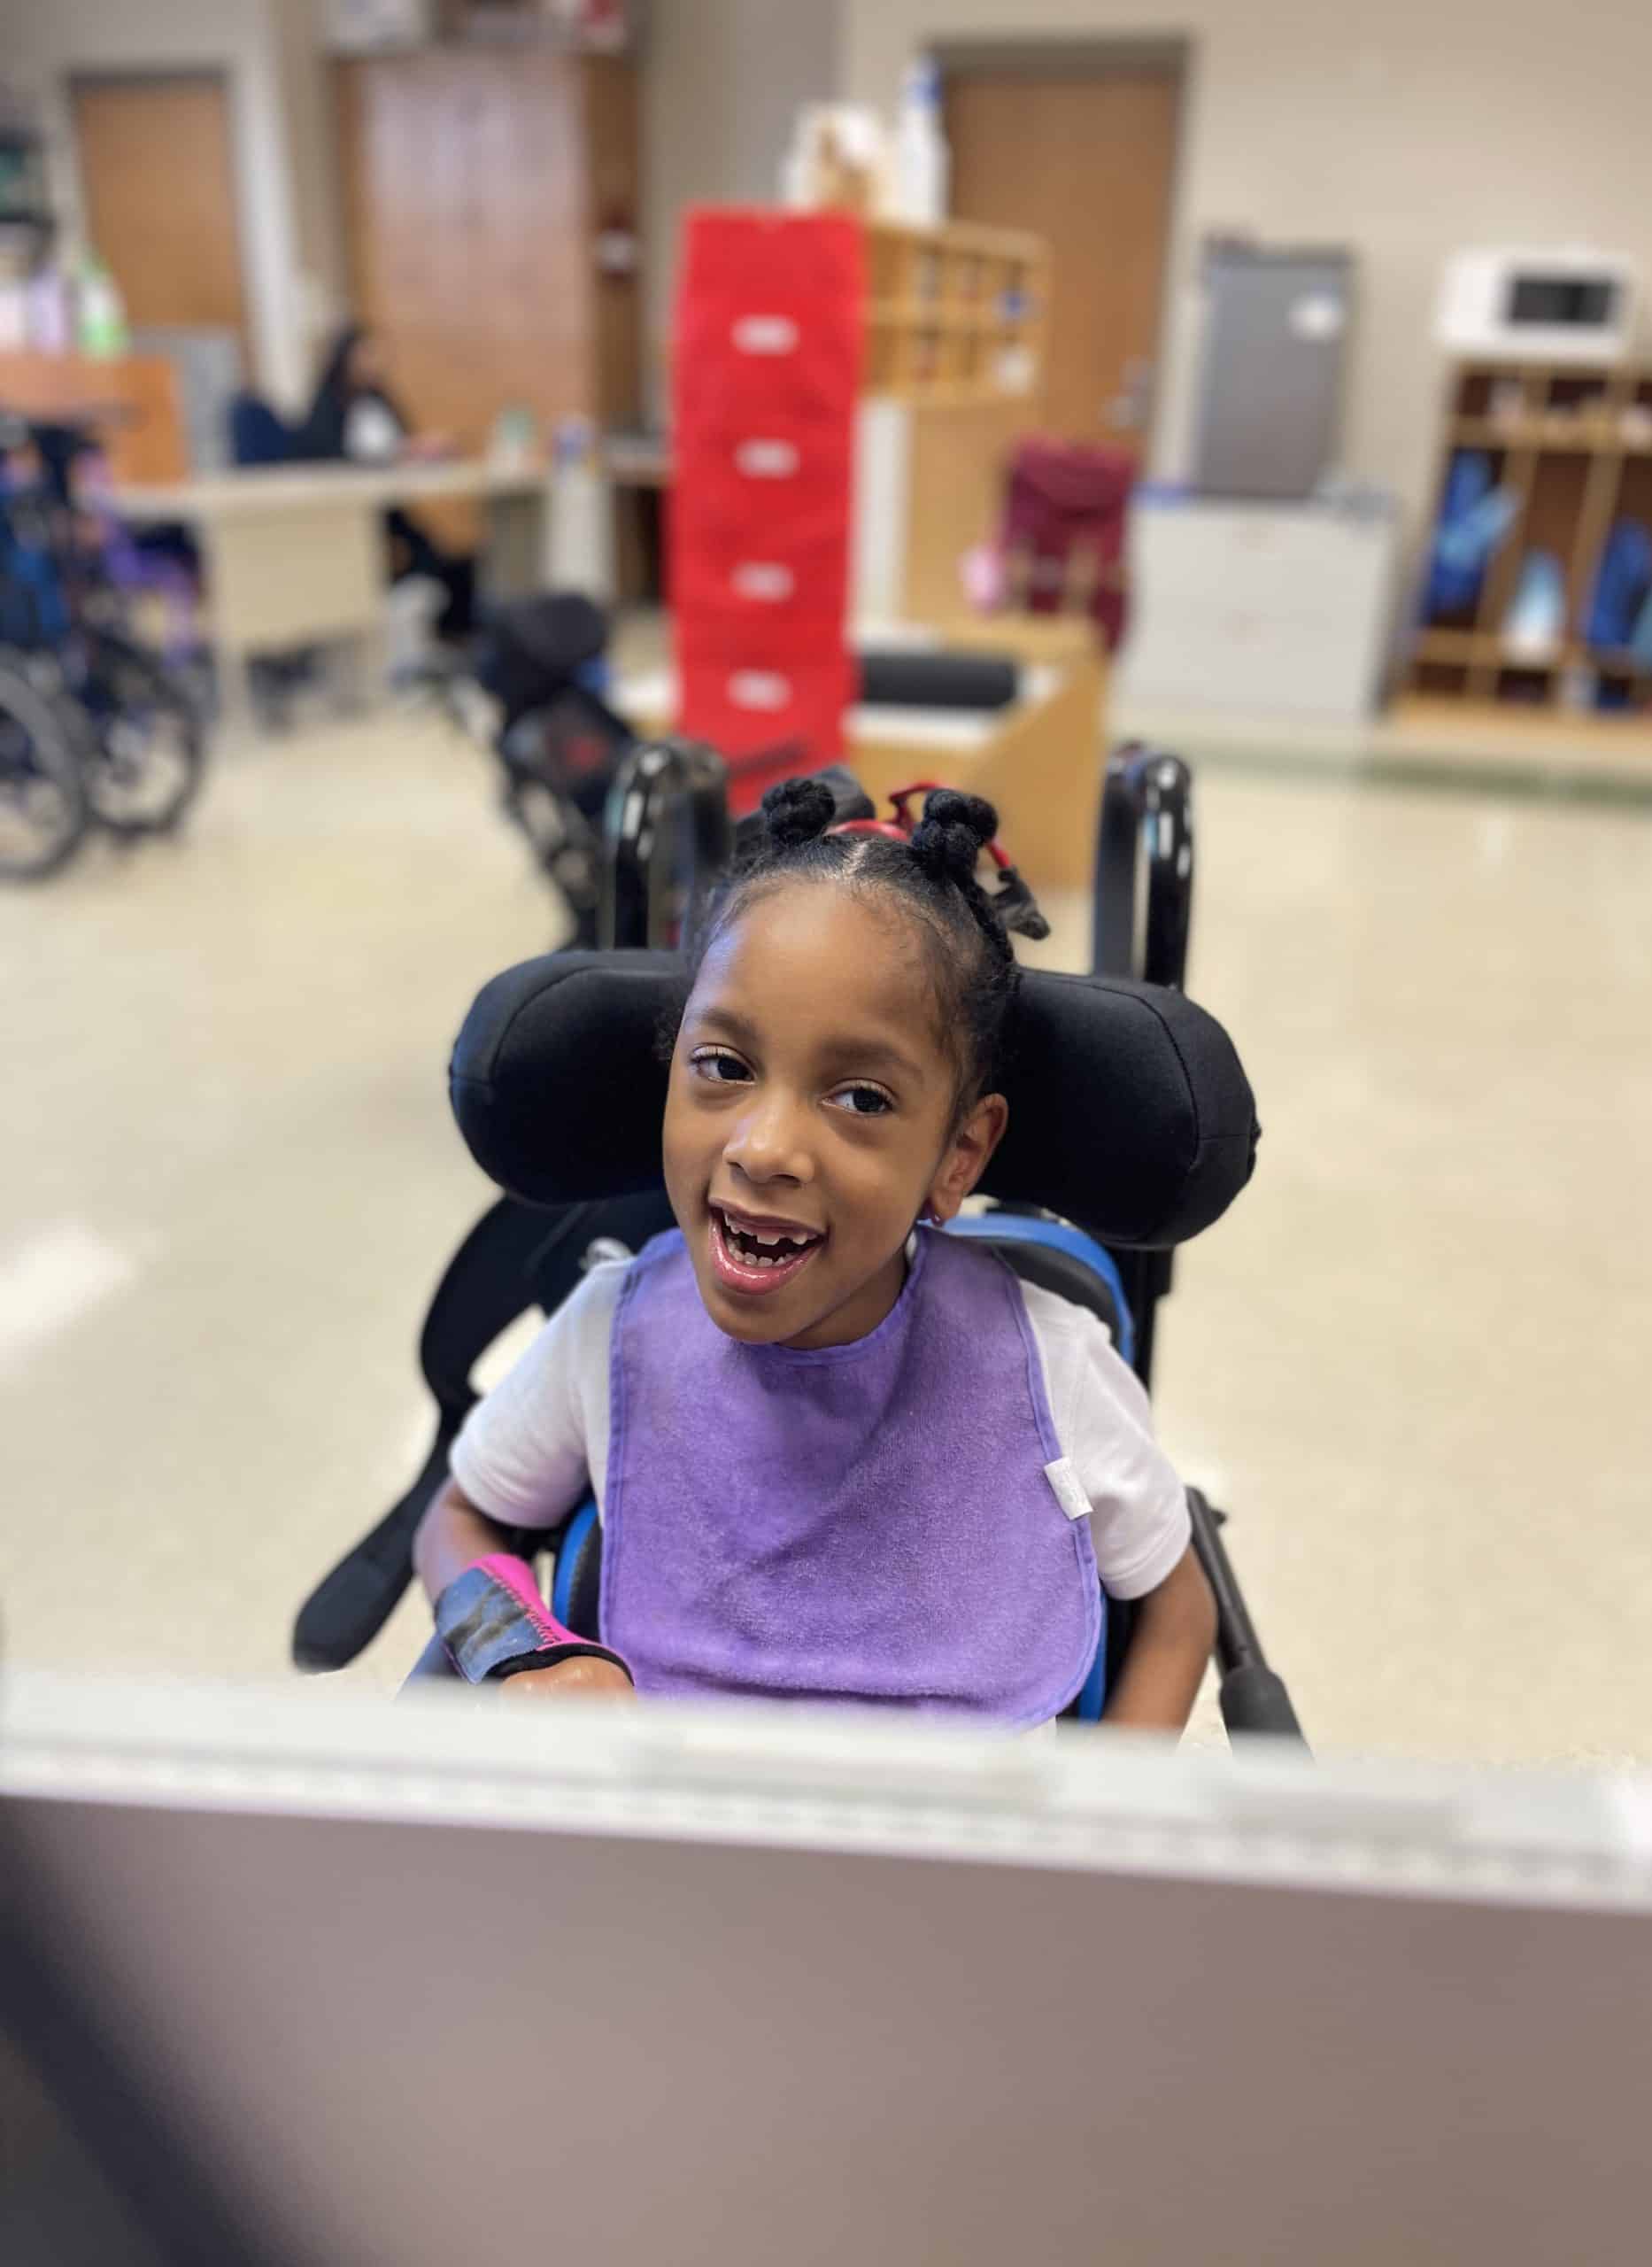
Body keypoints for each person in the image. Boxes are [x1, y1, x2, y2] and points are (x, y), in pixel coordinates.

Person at [413, 781, 1218, 1731]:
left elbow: (1179, 1608)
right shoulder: (612, 1333)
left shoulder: (1047, 1363)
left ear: (960, 1153)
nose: (763, 1148)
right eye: (723, 1066)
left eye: (861, 1098)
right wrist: (519, 1646)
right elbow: (458, 1518)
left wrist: (1097, 1843)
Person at [297, 324, 476, 641]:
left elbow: (401, 441)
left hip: (389, 506)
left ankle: (450, 635)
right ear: (347, 357)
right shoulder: (328, 404)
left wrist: (420, 450)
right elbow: (329, 459)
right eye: (367, 354)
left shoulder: (379, 399)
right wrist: (393, 455)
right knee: (405, 562)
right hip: (344, 516)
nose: (374, 362)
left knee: (444, 558)